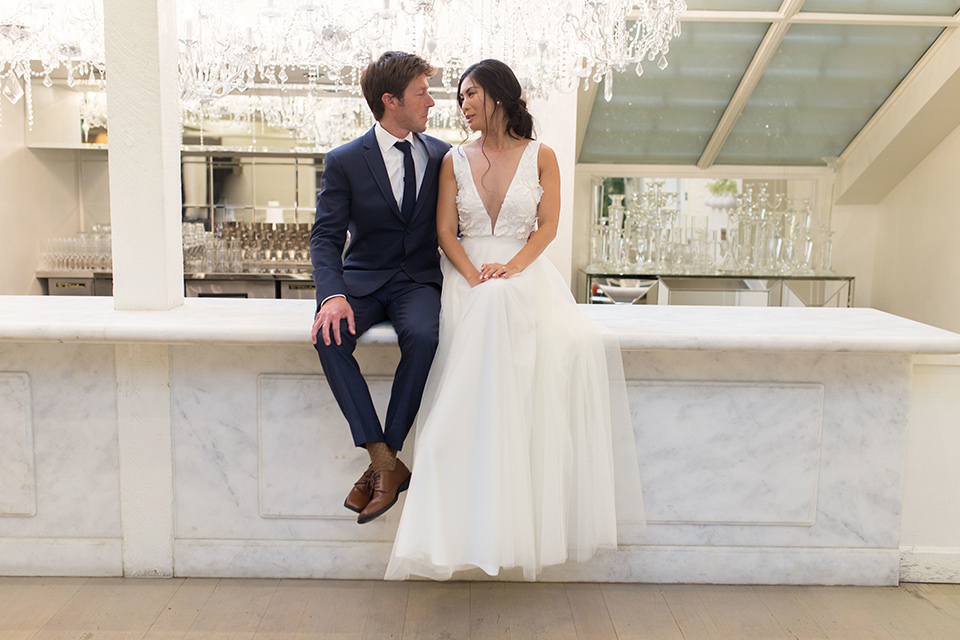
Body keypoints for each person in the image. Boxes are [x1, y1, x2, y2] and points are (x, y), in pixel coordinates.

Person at [385, 59, 643, 581]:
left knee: (514, 327)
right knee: (490, 305)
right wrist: (477, 275)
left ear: (499, 95)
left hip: (523, 273)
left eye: (471, 93)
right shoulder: (453, 160)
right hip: (469, 276)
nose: (463, 105)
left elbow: (547, 228)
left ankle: (507, 528)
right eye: (459, 97)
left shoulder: (543, 155)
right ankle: (448, 519)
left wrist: (512, 268)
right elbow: (445, 233)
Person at [310, 52, 451, 525]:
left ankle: (382, 463)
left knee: (425, 337)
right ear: (391, 101)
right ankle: (384, 460)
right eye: (421, 93)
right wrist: (331, 296)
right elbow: (326, 237)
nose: (431, 101)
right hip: (363, 282)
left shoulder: (442, 155)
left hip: (417, 282)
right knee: (328, 337)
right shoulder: (345, 161)